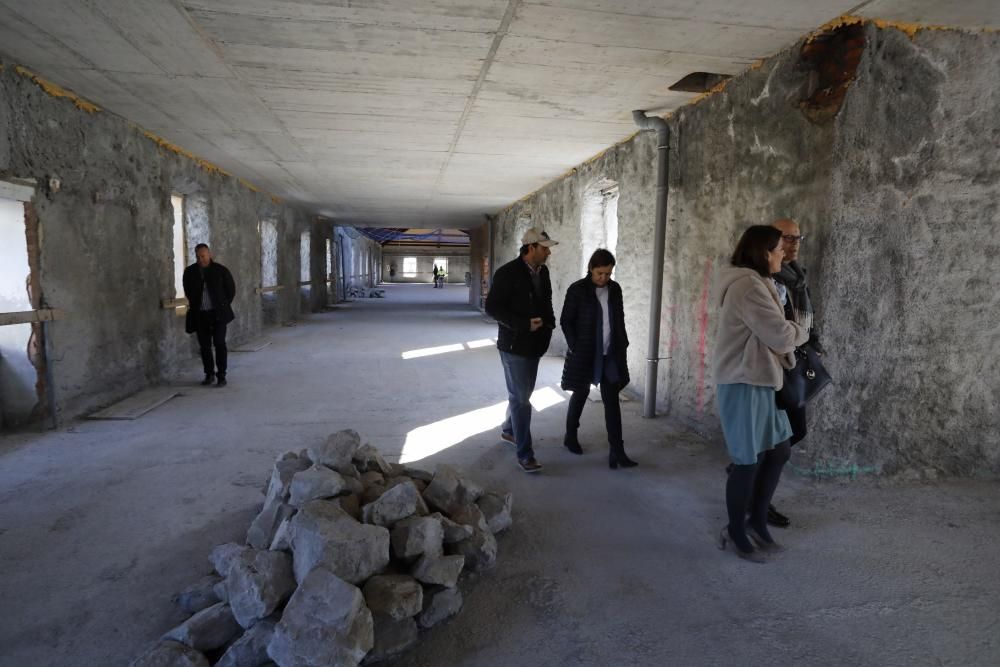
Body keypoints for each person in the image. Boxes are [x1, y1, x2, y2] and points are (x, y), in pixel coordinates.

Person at [713, 225, 808, 562]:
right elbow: (781, 337)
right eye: (780, 249)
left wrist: (788, 331)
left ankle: (755, 521)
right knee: (747, 461)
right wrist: (801, 329)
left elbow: (776, 334)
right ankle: (736, 530)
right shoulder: (747, 287)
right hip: (743, 381)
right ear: (765, 252)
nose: (784, 254)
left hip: (762, 379)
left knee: (779, 450)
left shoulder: (761, 283)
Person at [485, 228, 558, 473]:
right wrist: (523, 324)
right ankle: (525, 454)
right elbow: (492, 307)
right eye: (544, 247)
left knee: (520, 394)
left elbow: (546, 300)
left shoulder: (543, 272)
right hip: (514, 345)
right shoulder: (507, 273)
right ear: (530, 248)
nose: (548, 251)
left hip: (535, 344)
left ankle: (509, 430)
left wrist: (549, 324)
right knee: (522, 399)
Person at [768, 217, 823, 528]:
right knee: (777, 441)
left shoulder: (797, 276)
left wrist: (814, 339)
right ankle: (757, 495)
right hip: (775, 366)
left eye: (797, 237)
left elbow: (806, 314)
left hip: (797, 360)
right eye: (786, 238)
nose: (794, 243)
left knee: (795, 431)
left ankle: (751, 479)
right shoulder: (770, 277)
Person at [560, 249, 636, 469]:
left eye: (608, 273)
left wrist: (622, 344)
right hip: (585, 352)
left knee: (612, 400)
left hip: (610, 353)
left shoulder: (615, 290)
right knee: (581, 392)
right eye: (600, 273)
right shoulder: (577, 290)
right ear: (591, 269)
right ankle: (570, 435)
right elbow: (566, 321)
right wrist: (575, 346)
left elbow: (618, 319)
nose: (604, 278)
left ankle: (617, 451)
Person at [183, 243, 236, 387]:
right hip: (200, 315)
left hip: (218, 314)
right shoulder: (190, 272)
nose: (201, 259)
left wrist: (221, 305)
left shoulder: (220, 271)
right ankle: (209, 374)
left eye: (203, 256)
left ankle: (221, 375)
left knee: (219, 343)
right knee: (205, 346)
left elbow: (230, 291)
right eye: (198, 256)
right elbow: (188, 290)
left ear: (209, 254)